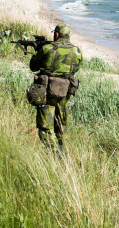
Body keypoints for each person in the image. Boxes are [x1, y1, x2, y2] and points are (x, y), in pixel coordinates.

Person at [26, 23, 83, 155]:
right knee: (61, 123)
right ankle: (62, 149)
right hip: (64, 93)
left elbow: (33, 66)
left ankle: (53, 154)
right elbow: (76, 68)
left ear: (56, 34)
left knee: (44, 127)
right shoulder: (77, 51)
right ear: (69, 36)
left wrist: (37, 52)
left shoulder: (47, 49)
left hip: (47, 92)